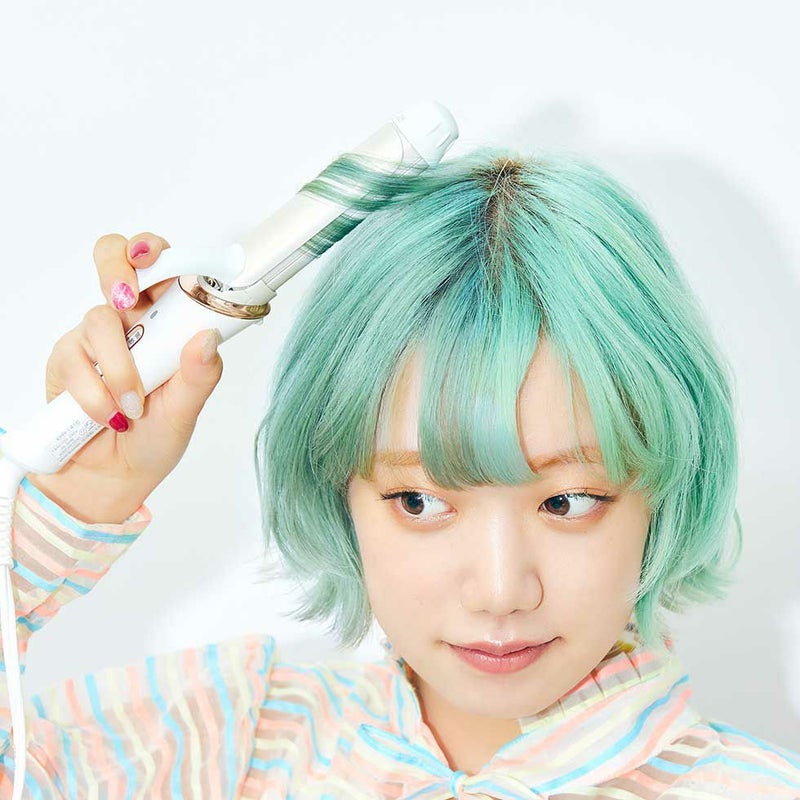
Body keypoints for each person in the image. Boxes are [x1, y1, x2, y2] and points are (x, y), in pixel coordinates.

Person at [1, 150, 798, 798]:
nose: (499, 591)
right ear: (338, 491)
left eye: (567, 501)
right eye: (419, 501)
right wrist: (73, 500)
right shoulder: (228, 745)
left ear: (665, 490)